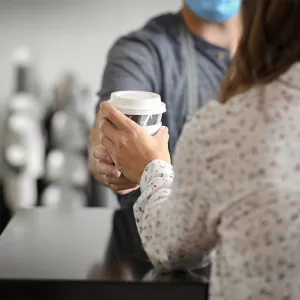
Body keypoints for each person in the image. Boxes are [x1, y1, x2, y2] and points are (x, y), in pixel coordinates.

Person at [99, 0, 300, 299]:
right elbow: (104, 127)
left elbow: (172, 245)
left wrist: (150, 169)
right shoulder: (144, 48)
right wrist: (104, 153)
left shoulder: (221, 127)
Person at [89, 0, 242, 208]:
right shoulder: (141, 51)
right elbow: (110, 128)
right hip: (151, 237)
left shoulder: (282, 51)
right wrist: (112, 160)